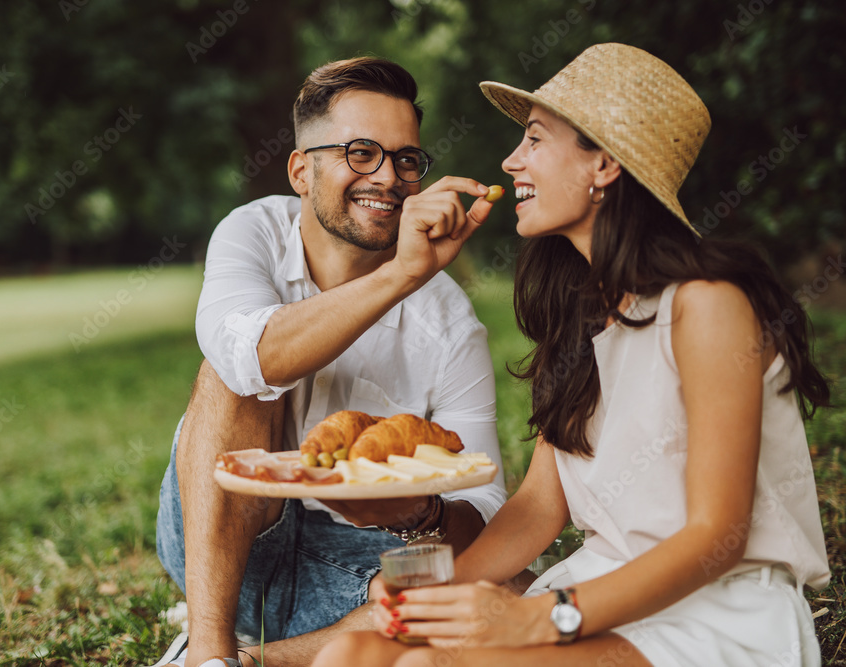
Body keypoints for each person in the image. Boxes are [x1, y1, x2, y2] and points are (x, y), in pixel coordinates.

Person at [313, 43, 831, 667]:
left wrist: (536, 615)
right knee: (352, 655)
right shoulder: (580, 319)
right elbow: (537, 508)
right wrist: (442, 594)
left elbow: (718, 535)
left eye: (533, 139)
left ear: (605, 163)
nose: (511, 162)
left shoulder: (708, 306)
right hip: (596, 592)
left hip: (712, 615)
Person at [148, 57, 509, 667]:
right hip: (224, 544)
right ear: (301, 170)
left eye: (406, 160)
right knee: (232, 373)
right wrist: (401, 275)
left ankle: (256, 660)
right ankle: (209, 653)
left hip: (357, 565)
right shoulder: (253, 233)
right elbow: (250, 358)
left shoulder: (448, 323)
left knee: (482, 593)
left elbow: (488, 513)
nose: (389, 177)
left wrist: (418, 513)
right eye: (361, 152)